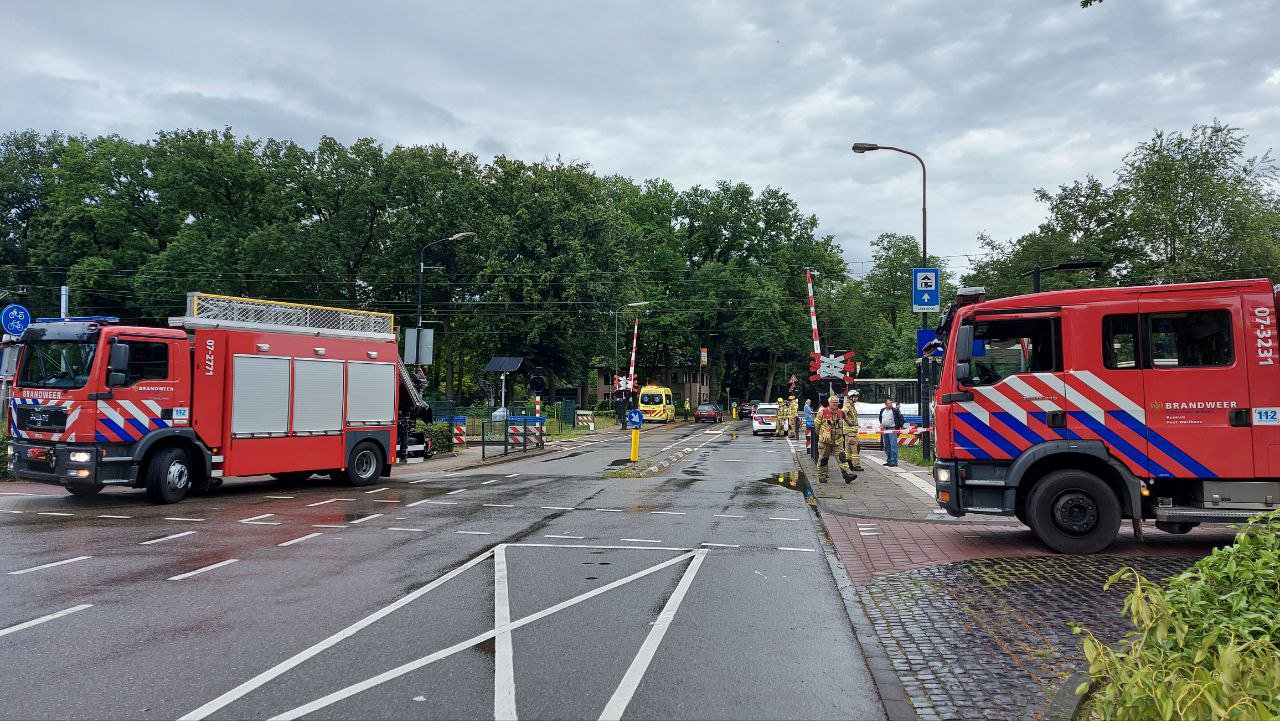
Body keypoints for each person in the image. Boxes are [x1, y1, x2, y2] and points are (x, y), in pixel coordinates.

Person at [813, 395, 844, 483]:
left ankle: (847, 474)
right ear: (829, 403)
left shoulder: (840, 413)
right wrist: (821, 434)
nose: (835, 404)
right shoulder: (823, 412)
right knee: (823, 459)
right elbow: (817, 425)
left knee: (842, 458)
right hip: (825, 441)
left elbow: (843, 426)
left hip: (837, 441)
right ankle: (822, 476)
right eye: (833, 402)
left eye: (837, 402)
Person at [841, 389, 863, 475]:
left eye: (857, 397)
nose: (856, 398)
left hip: (848, 433)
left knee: (848, 450)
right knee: (855, 449)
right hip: (851, 432)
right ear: (850, 397)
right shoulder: (848, 405)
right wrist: (849, 422)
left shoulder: (851, 405)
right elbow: (843, 412)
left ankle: (849, 464)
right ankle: (856, 465)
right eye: (854, 397)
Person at [879, 398, 905, 467]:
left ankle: (894, 461)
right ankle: (889, 460)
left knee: (893, 446)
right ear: (885, 404)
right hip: (885, 429)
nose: (890, 404)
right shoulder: (882, 410)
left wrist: (897, 428)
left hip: (892, 429)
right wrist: (882, 424)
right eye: (888, 403)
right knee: (886, 446)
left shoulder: (895, 410)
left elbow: (902, 419)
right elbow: (880, 419)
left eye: (891, 403)